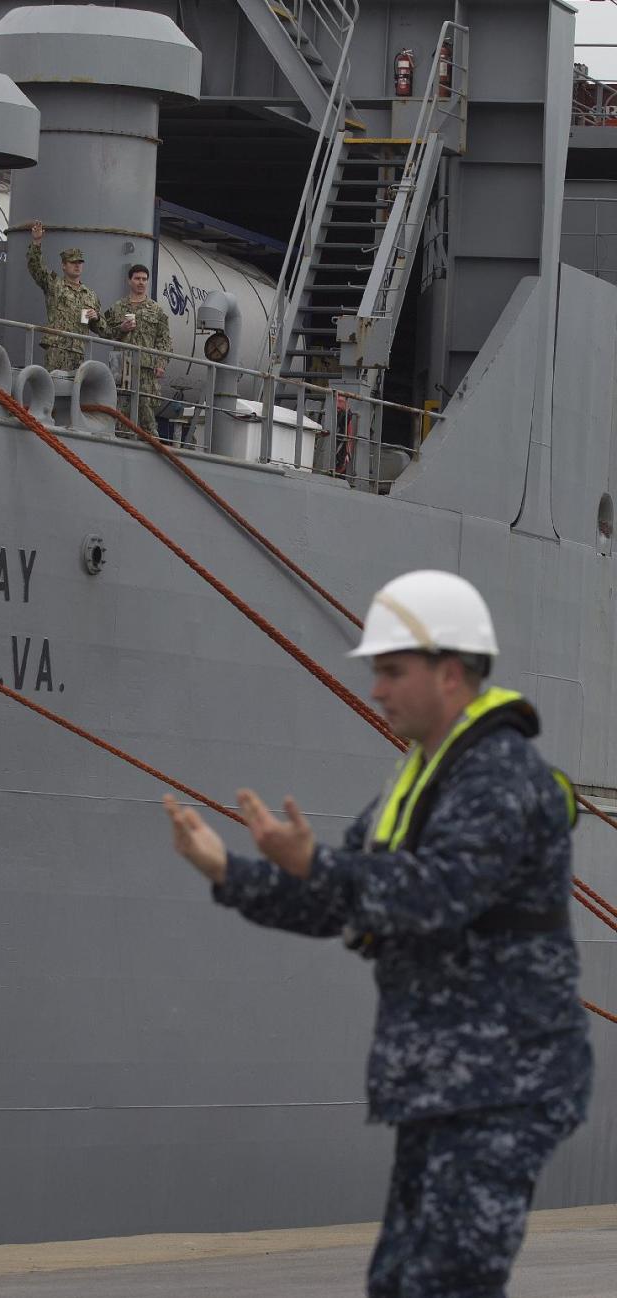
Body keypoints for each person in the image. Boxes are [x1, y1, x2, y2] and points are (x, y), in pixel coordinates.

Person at [164, 569, 592, 1298]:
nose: (377, 689)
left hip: (504, 1080)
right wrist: (227, 871)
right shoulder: (421, 778)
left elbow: (435, 895)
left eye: (392, 670)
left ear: (450, 673)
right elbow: (337, 902)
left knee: (446, 1283)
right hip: (444, 1082)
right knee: (400, 1281)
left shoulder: (500, 775)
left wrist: (314, 863)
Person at [104, 264, 172, 438]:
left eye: (144, 279)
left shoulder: (156, 310)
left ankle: (152, 446)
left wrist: (161, 363)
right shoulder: (117, 308)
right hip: (122, 367)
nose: (141, 282)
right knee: (121, 415)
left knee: (146, 416)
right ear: (129, 281)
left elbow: (165, 340)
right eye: (137, 278)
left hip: (146, 369)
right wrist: (121, 328)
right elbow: (105, 332)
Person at [26, 221, 104, 372]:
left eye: (80, 262)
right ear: (63, 265)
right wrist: (36, 242)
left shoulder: (90, 295)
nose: (77, 265)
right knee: (54, 388)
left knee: (75, 393)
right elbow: (36, 268)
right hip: (57, 348)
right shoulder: (54, 284)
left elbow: (101, 329)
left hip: (80, 352)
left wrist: (97, 317)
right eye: (73, 262)